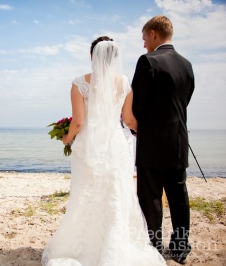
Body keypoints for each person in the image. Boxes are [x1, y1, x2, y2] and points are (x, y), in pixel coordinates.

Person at [41, 37, 165, 265]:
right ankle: (114, 246)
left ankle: (86, 246)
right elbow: (128, 120)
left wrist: (67, 138)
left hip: (88, 148)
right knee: (116, 195)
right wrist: (148, 130)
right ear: (115, 59)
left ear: (92, 56)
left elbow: (78, 123)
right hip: (116, 147)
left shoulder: (80, 83)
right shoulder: (125, 83)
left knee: (85, 195)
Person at [130, 15, 195, 264]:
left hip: (152, 142)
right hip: (179, 140)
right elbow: (185, 99)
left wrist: (137, 127)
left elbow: (137, 105)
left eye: (144, 37)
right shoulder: (187, 64)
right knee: (179, 195)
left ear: (154, 33)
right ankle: (180, 248)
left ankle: (153, 247)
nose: (144, 43)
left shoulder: (148, 61)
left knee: (151, 197)